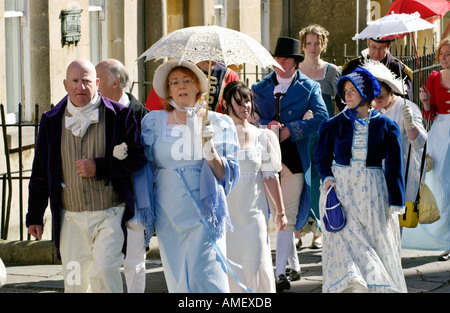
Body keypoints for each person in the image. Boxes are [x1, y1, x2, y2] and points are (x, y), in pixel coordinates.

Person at [26, 59, 147, 293]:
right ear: (65, 84)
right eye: (75, 81)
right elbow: (40, 171)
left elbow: (137, 158)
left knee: (104, 270)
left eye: (86, 81)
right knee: (74, 282)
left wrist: (100, 167)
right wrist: (34, 216)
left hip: (110, 213)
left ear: (98, 83)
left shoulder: (119, 115)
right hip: (70, 218)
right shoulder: (51, 120)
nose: (80, 87)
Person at [135, 60, 240, 292]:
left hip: (204, 214)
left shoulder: (218, 122)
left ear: (198, 87)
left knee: (208, 278)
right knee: (179, 282)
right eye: (174, 82)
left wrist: (210, 148)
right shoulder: (153, 122)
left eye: (186, 80)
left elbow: (227, 176)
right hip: (169, 215)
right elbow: (143, 166)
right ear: (168, 90)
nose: (180, 86)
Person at [315, 66, 407, 293]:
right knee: (345, 246)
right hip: (342, 193)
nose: (346, 95)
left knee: (372, 244)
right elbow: (321, 157)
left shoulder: (387, 126)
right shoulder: (333, 124)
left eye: (352, 90)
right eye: (344, 90)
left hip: (373, 194)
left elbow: (394, 167)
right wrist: (327, 177)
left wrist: (397, 200)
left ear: (365, 92)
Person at [252, 36, 329, 292]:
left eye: (287, 59)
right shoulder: (259, 87)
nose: (282, 63)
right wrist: (266, 126)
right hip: (264, 157)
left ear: (296, 62)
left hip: (294, 158)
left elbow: (322, 118)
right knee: (272, 213)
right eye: (278, 58)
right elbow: (250, 117)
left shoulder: (310, 87)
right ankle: (293, 267)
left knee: (288, 215)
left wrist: (292, 129)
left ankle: (279, 272)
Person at [222, 81, 287, 293]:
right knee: (231, 267)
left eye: (248, 100)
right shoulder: (218, 135)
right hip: (227, 216)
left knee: (257, 264)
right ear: (226, 104)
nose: (245, 106)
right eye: (238, 102)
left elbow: (270, 176)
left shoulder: (262, 136)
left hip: (254, 215)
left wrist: (280, 212)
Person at [96, 59, 150, 293]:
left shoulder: (143, 116)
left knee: (134, 260)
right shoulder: (96, 112)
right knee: (102, 260)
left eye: (98, 80)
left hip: (136, 197)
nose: (94, 86)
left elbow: (150, 157)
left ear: (116, 83)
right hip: (104, 197)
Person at [297, 24, 342, 249]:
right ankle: (304, 225)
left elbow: (342, 103)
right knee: (301, 181)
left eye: (317, 43)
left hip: (325, 134)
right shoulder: (295, 70)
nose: (312, 47)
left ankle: (321, 229)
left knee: (322, 180)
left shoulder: (333, 72)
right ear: (303, 45)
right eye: (309, 43)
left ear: (322, 45)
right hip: (301, 134)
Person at [405, 37, 450, 261]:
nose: (443, 57)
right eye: (441, 53)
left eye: (448, 53)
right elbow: (429, 114)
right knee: (440, 183)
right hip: (440, 131)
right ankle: (444, 240)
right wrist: (424, 101)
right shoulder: (433, 78)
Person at [363, 59, 427, 207]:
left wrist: (410, 124)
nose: (375, 103)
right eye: (371, 97)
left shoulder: (406, 107)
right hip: (369, 180)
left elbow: (420, 143)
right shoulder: (363, 106)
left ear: (391, 92)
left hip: (397, 177)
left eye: (380, 97)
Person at [336, 37, 413, 111]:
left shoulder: (399, 69)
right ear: (368, 44)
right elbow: (340, 98)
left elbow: (406, 102)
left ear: (388, 46)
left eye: (381, 48)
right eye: (374, 47)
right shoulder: (352, 66)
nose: (377, 53)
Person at [145, 61, 239, 113]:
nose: (213, 58)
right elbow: (154, 107)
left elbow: (236, 112)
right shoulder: (174, 72)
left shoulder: (229, 75)